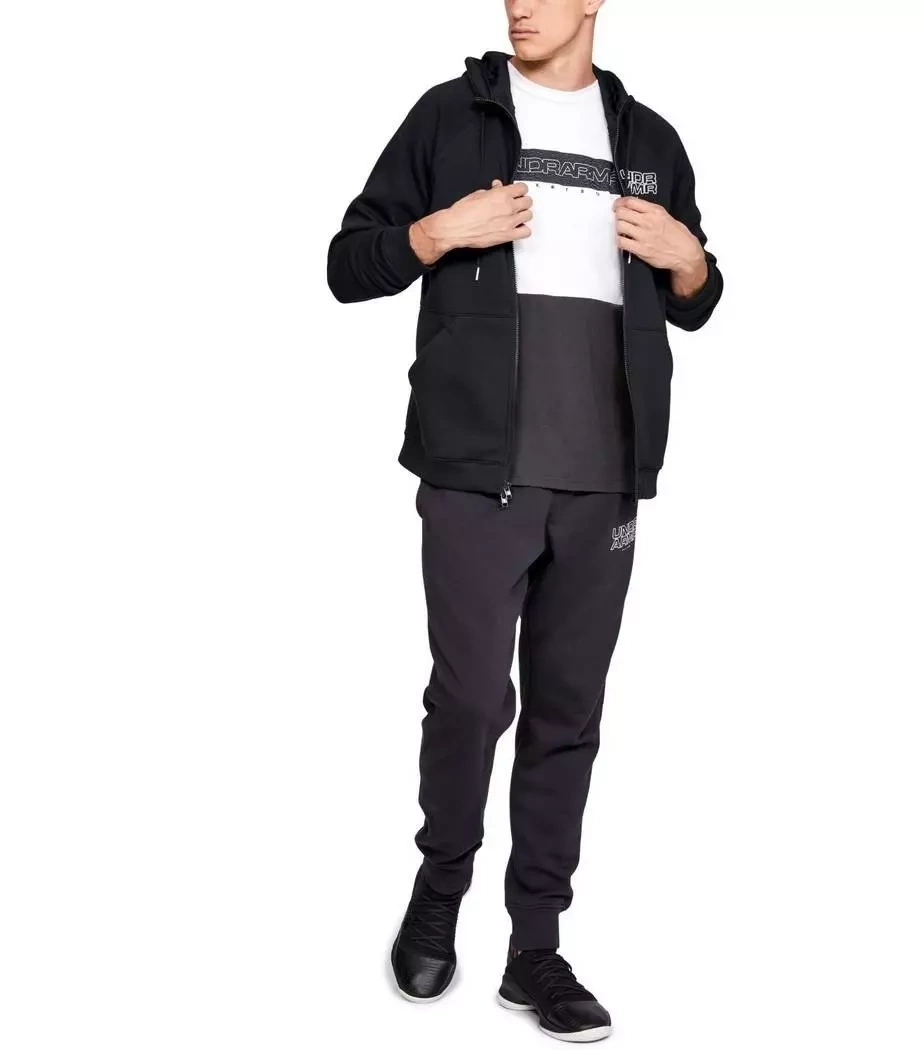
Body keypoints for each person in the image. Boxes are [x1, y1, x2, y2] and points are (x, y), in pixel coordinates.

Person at [327, 0, 723, 1041]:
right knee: (469, 701)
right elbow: (346, 265)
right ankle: (440, 888)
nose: (517, 2)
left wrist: (687, 257)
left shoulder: (650, 140)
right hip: (477, 472)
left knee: (567, 715)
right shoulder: (448, 117)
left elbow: (697, 295)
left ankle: (535, 949)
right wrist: (436, 233)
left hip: (605, 477)